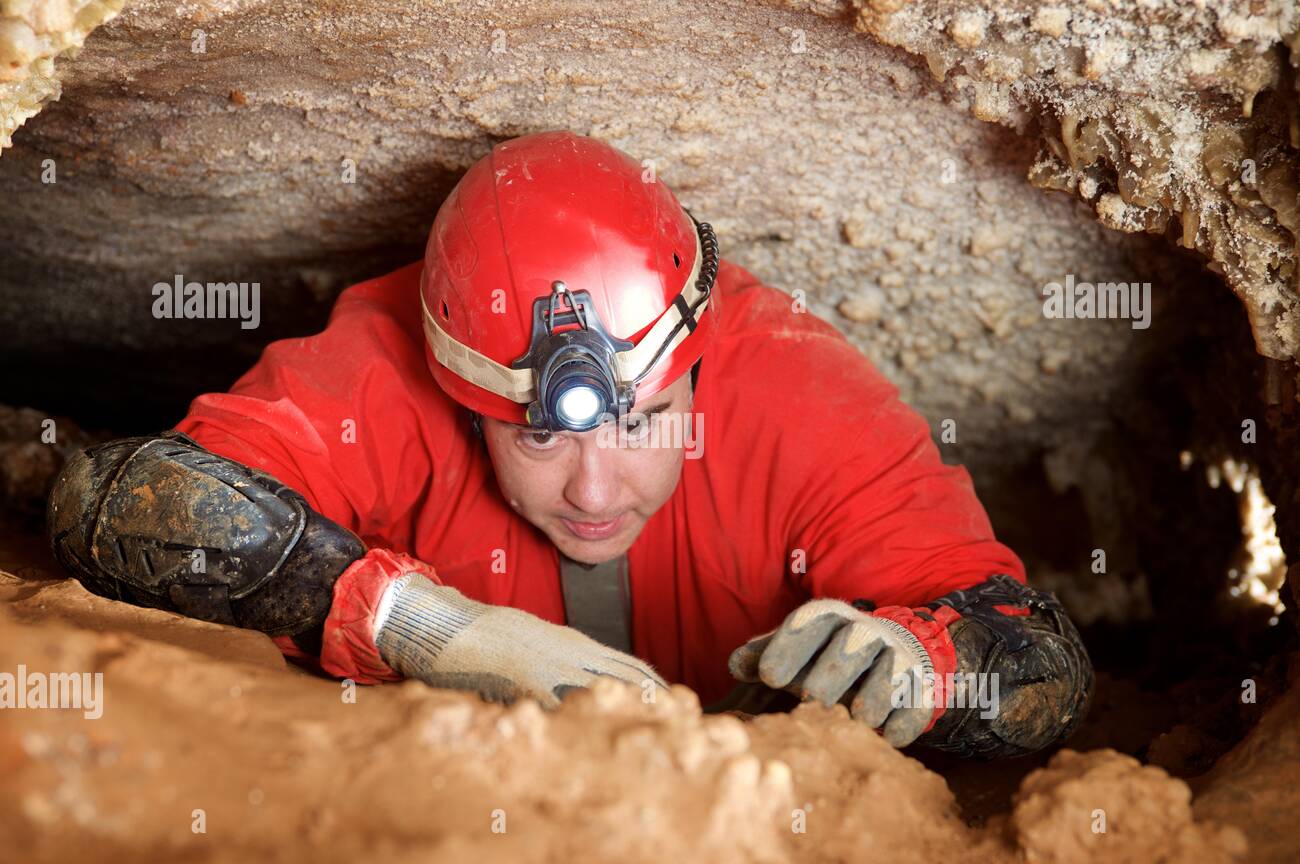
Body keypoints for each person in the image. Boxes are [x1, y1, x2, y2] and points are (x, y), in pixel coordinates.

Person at [47, 131, 1092, 757]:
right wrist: (425, 630)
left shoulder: (799, 396)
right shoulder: (388, 366)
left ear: (697, 360)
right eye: (532, 435)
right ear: (462, 395)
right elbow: (129, 501)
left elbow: (1039, 660)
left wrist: (927, 666)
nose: (595, 485)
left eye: (642, 422)